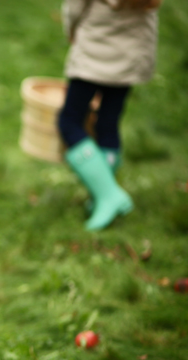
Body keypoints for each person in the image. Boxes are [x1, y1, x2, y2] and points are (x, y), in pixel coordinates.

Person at [57, 0, 161, 230]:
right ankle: (100, 197)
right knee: (107, 123)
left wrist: (71, 31)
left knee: (69, 122)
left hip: (96, 49)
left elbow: (74, 8)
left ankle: (108, 194)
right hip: (131, 54)